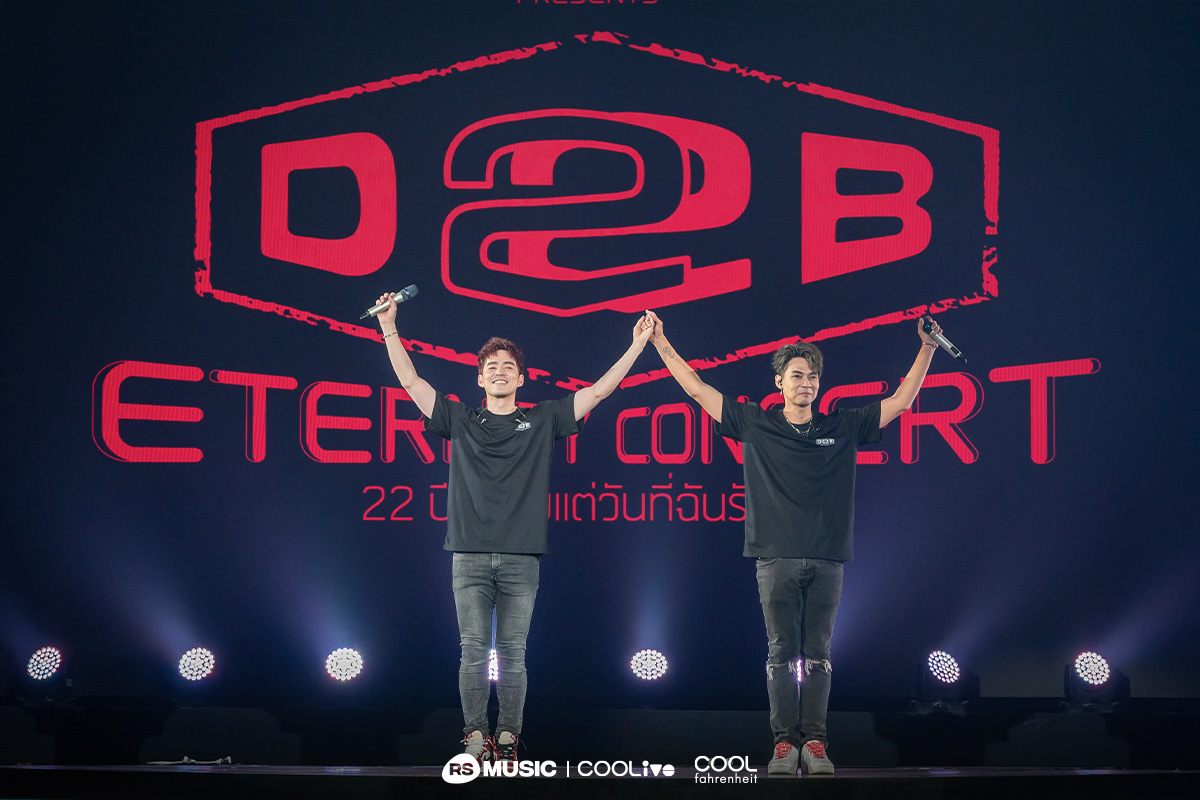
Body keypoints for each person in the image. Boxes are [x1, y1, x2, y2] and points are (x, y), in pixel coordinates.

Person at [644, 310, 944, 777]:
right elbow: (697, 389)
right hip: (775, 557)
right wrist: (660, 342)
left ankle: (816, 743)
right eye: (798, 375)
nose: (807, 383)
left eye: (813, 377)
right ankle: (784, 744)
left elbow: (902, 401)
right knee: (781, 653)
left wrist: (927, 346)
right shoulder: (755, 423)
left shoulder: (842, 426)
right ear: (779, 382)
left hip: (828, 557)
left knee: (819, 654)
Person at [374, 292, 654, 764]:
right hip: (469, 555)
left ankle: (507, 738)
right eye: (492, 366)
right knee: (472, 651)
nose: (500, 371)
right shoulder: (460, 419)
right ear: (479, 378)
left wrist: (637, 345)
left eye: (509, 366)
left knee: (513, 653)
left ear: (522, 378)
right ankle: (474, 736)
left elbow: (599, 391)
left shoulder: (542, 418)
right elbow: (410, 381)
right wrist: (389, 327)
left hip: (522, 557)